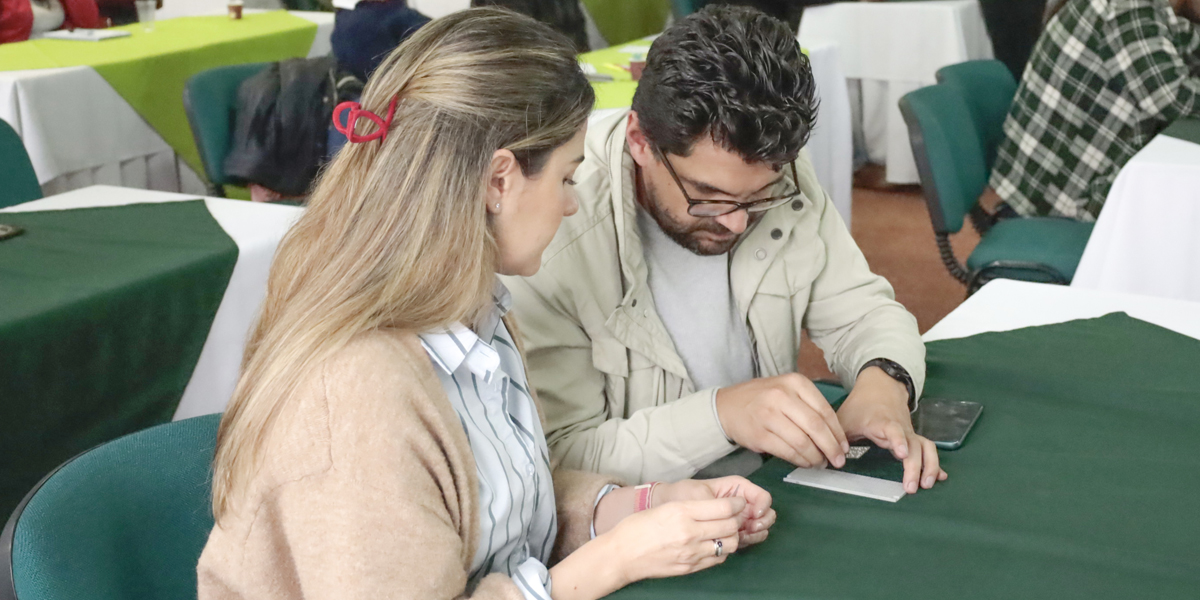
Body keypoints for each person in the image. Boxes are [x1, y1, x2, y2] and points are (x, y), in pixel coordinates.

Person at [198, 9, 776, 600]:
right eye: (567, 179)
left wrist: (632, 506)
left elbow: (494, 515)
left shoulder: (472, 311)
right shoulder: (357, 392)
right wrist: (611, 561)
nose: (572, 204)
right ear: (499, 181)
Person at [504, 5, 946, 496]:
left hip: (766, 488)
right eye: (707, 196)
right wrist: (722, 416)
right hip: (646, 522)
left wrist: (883, 385)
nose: (736, 220)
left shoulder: (778, 174)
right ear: (639, 141)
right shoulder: (550, 237)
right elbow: (564, 457)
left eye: (758, 197)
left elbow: (864, 313)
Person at [990, 0, 1200, 221]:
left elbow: (1189, 44)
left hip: (1064, 189)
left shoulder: (1153, 13)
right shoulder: (1128, 7)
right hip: (1061, 202)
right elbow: (1171, 98)